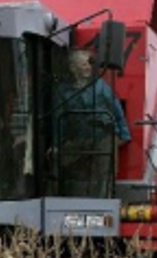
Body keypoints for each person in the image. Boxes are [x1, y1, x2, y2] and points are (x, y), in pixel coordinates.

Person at [55, 49, 130, 197]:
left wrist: (124, 134)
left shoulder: (101, 86)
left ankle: (103, 202)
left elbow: (116, 110)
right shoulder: (63, 91)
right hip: (77, 138)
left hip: (103, 136)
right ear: (73, 68)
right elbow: (59, 119)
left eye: (89, 64)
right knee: (60, 164)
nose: (88, 68)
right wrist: (56, 144)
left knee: (104, 174)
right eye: (83, 64)